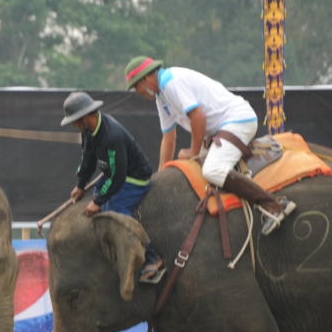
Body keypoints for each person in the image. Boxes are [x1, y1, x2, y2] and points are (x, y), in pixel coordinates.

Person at [125, 56, 295, 235]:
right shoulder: (161, 96)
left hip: (237, 121)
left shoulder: (170, 82)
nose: (137, 92)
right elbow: (168, 138)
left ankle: (275, 206)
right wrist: (158, 178)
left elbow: (198, 117)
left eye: (135, 87)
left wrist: (193, 151)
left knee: (212, 170)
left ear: (144, 79)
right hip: (220, 130)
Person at [60, 91, 165, 284]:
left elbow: (118, 177)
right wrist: (81, 185)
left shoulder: (112, 136)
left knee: (114, 211)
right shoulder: (88, 131)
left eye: (75, 121)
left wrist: (98, 201)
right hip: (114, 174)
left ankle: (152, 257)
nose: (74, 126)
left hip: (133, 178)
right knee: (98, 204)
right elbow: (88, 159)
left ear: (85, 118)